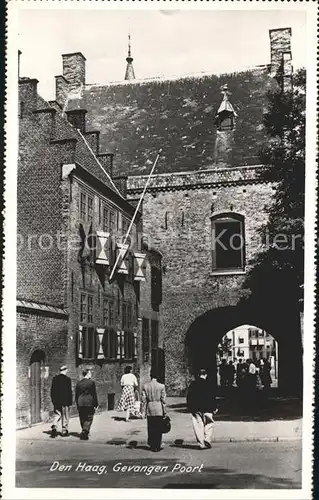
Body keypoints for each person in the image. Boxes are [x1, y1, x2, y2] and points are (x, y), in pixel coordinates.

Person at [187, 368, 217, 450]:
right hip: (208, 407)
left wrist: (190, 407)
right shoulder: (210, 384)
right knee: (209, 423)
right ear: (206, 375)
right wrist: (214, 407)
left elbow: (189, 397)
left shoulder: (193, 384)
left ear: (198, 375)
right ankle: (207, 438)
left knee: (198, 425)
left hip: (196, 408)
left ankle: (201, 443)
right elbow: (213, 397)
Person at [141, 368, 167, 452]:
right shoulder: (161, 386)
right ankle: (157, 444)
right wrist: (165, 411)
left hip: (150, 407)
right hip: (158, 407)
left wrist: (143, 411)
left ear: (150, 375)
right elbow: (163, 400)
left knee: (151, 427)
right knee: (158, 427)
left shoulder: (145, 386)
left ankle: (152, 444)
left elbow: (144, 400)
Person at [75, 368, 98, 440]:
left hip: (80, 402)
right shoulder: (91, 383)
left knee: (82, 417)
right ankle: (85, 430)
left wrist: (77, 403)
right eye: (90, 373)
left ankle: (84, 430)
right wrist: (96, 404)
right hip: (89, 402)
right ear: (87, 374)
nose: (91, 374)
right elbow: (94, 394)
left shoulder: (79, 383)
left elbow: (76, 394)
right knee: (89, 417)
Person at [50, 365, 72, 438]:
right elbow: (69, 392)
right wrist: (70, 401)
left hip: (56, 401)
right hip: (65, 401)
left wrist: (53, 400)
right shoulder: (68, 379)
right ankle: (64, 431)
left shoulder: (55, 379)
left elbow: (52, 391)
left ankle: (54, 425)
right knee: (65, 416)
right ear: (65, 370)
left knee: (57, 414)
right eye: (66, 370)